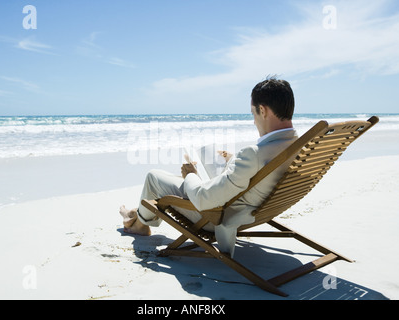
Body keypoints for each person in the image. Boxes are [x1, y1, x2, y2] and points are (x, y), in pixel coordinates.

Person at [119, 77, 298, 257]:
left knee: (154, 177)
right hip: (253, 206)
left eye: (253, 114)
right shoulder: (298, 146)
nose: (253, 121)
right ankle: (136, 213)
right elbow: (264, 171)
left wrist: (191, 174)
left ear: (262, 110)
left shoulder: (254, 154)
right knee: (201, 165)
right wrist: (234, 161)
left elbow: (203, 199)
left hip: (218, 215)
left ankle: (140, 224)